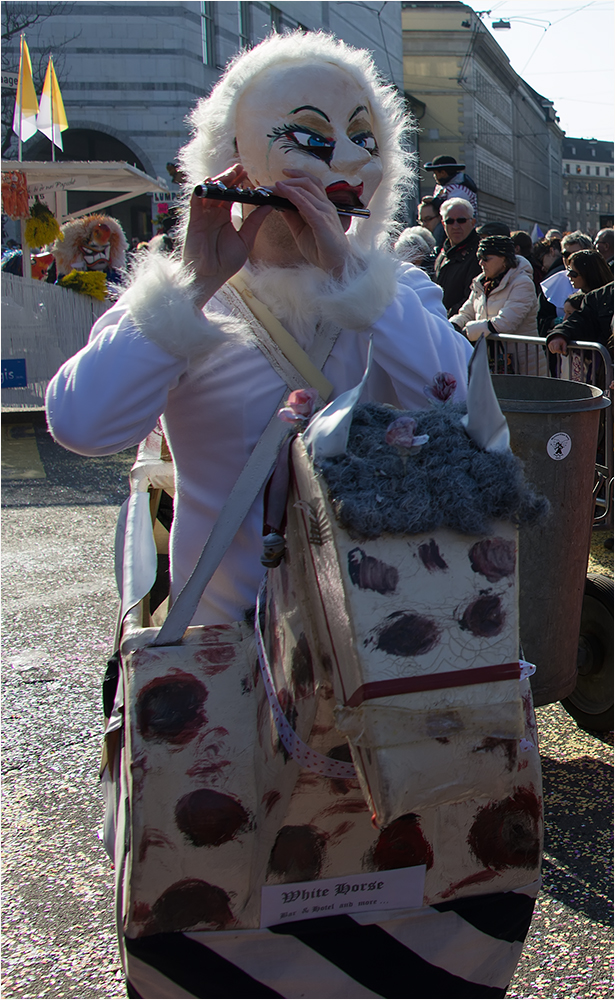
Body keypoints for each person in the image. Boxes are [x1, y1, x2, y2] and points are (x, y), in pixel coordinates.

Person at [46, 32, 541, 1000]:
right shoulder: (190, 302)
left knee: (413, 886)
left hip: (397, 666)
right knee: (219, 888)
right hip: (229, 660)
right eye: (308, 137)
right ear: (234, 149)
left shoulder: (390, 295)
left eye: (364, 138)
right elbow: (82, 422)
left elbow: (453, 397)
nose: (344, 160)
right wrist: (190, 280)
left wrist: (355, 283)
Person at [448, 235, 538, 341]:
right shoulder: (480, 283)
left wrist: (467, 332)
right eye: (480, 258)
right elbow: (467, 313)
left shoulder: (522, 283)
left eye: (486, 259)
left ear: (504, 260)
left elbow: (505, 323)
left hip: (520, 355)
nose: (481, 263)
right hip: (489, 354)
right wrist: (452, 326)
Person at [433, 196, 481, 316]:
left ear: (473, 222)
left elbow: (471, 298)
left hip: (460, 324)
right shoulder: (443, 253)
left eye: (461, 220)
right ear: (443, 225)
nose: (455, 226)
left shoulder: (479, 254)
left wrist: (447, 317)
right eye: (450, 221)